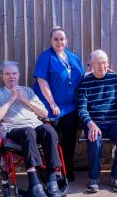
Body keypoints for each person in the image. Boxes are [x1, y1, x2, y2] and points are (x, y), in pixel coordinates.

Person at [0, 61, 62, 197]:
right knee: (27, 131)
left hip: (34, 126)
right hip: (14, 130)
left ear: (18, 75)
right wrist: (11, 99)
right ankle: (34, 183)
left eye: (14, 73)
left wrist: (25, 100)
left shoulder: (28, 91)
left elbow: (44, 113)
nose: (11, 76)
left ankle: (52, 179)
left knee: (49, 131)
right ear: (2, 76)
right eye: (7, 74)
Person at [33, 26, 85, 182]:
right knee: (51, 140)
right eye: (55, 39)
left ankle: (67, 168)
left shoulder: (73, 57)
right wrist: (52, 103)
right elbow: (42, 82)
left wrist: (100, 70)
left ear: (66, 41)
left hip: (70, 106)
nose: (59, 42)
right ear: (51, 40)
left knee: (69, 140)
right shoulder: (46, 57)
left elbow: (82, 76)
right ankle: (52, 171)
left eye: (62, 39)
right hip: (51, 107)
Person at [77, 49, 117, 193]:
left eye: (105, 62)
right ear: (91, 65)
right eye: (98, 63)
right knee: (94, 138)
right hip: (94, 123)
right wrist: (90, 124)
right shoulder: (85, 81)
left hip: (114, 122)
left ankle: (115, 177)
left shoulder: (116, 79)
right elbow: (81, 108)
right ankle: (93, 178)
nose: (102, 66)